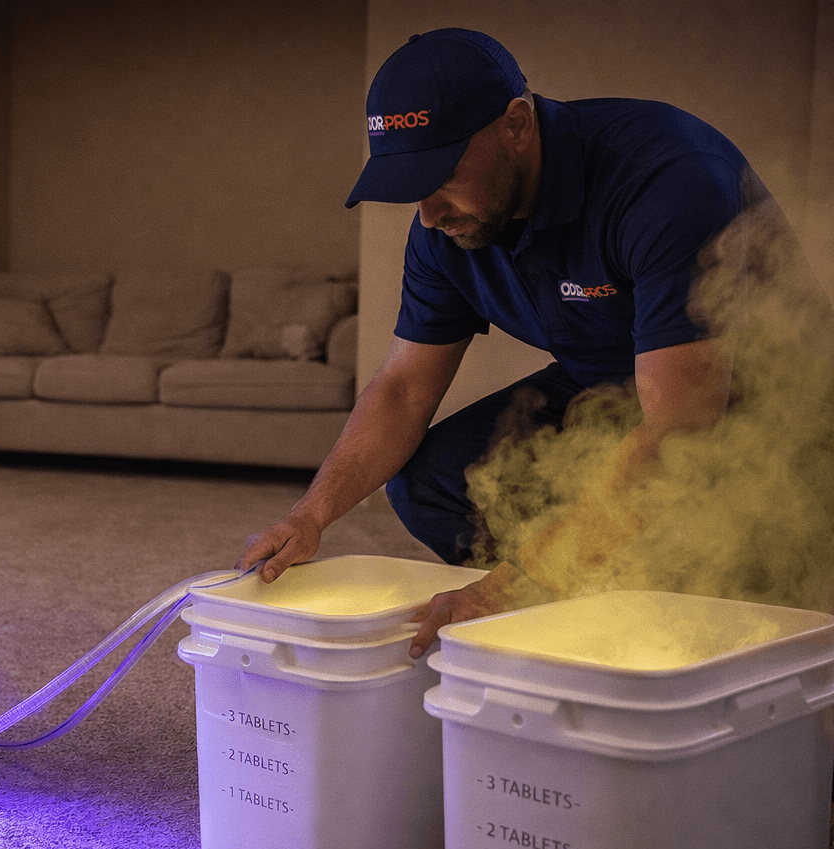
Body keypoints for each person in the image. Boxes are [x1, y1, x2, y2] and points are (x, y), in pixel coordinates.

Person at [238, 28, 770, 657]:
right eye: (412, 185)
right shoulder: (443, 232)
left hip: (748, 394)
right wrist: (311, 514)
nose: (429, 214)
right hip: (604, 381)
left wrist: (519, 583)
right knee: (432, 480)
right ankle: (571, 609)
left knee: (737, 560)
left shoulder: (667, 181)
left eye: (442, 174)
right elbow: (405, 390)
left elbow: (683, 423)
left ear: (516, 124)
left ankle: (614, 604)